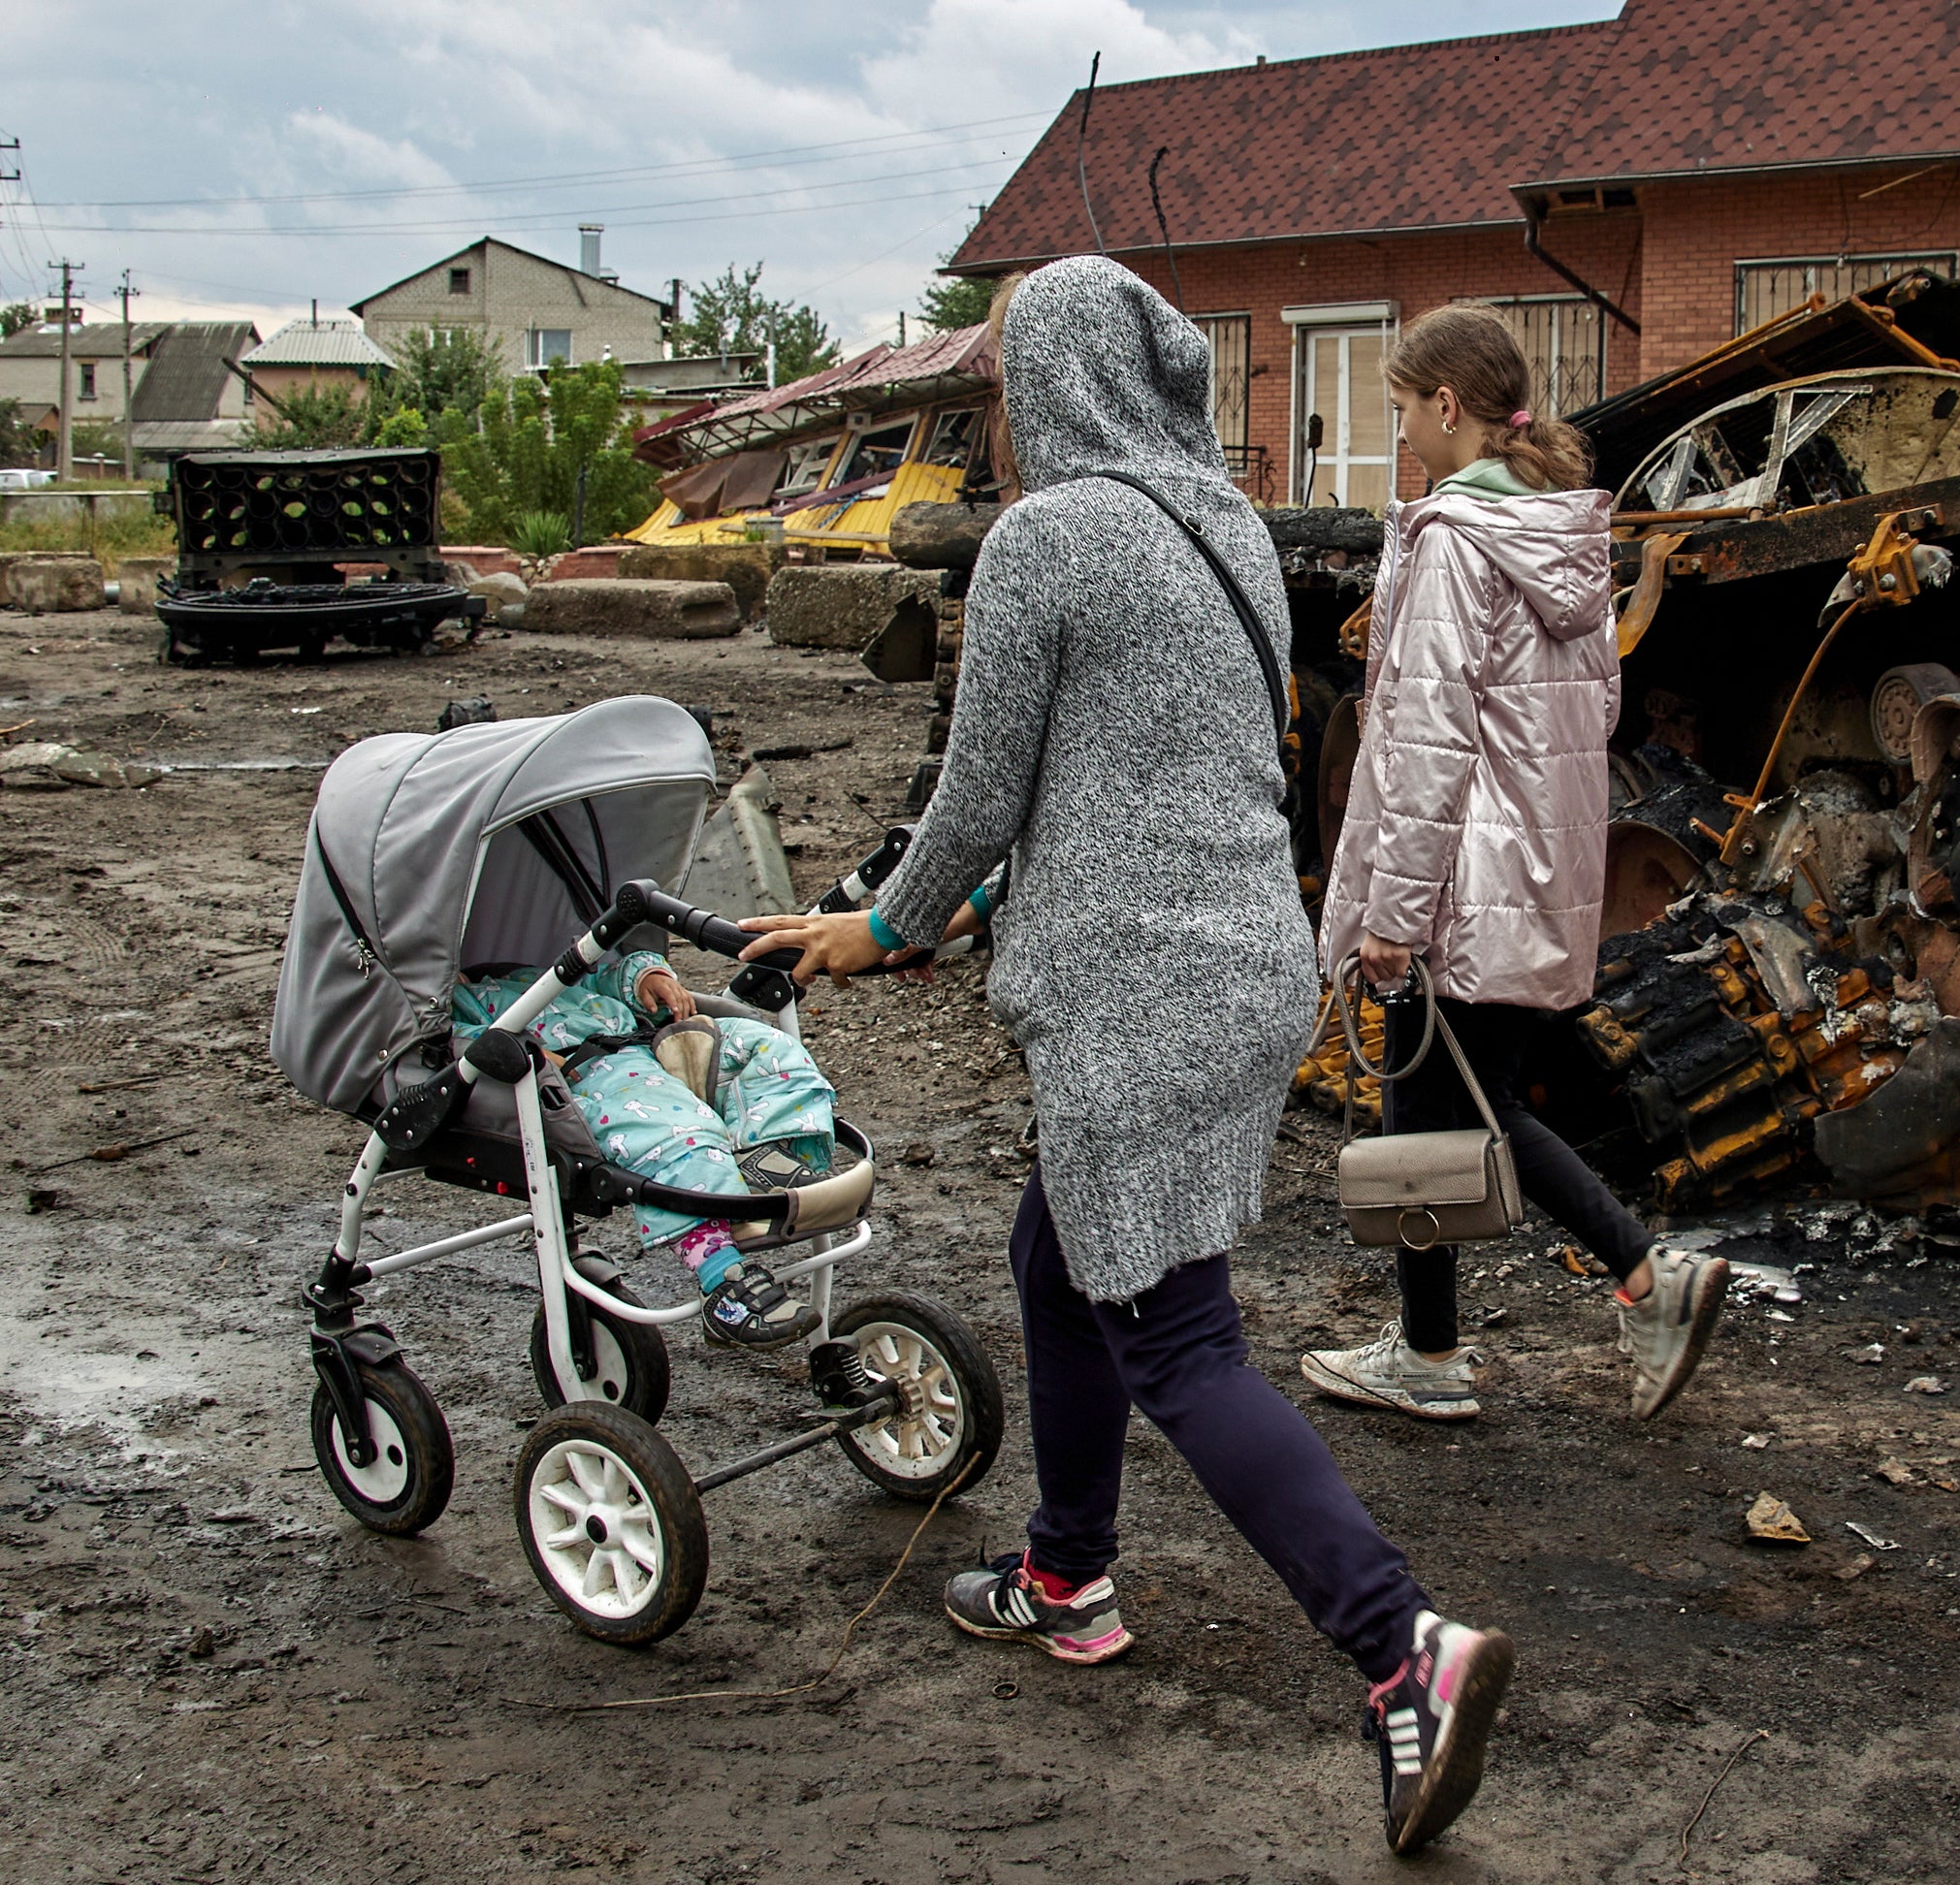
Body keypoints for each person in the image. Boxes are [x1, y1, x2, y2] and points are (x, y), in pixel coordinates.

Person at [739, 256, 1513, 1857]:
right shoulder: (1223, 520)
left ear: (1058, 380)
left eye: (1013, 378)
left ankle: (1400, 1647)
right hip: (1244, 966)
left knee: (1179, 1339)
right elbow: (1130, 766)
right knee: (1060, 1256)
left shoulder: (1049, 538)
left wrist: (872, 926)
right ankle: (1065, 1570)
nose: (1003, 412)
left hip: (1128, 992)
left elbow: (980, 793)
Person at [1303, 302, 1729, 1424]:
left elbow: (1427, 739)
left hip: (1455, 885)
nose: (1400, 434)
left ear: (1448, 406)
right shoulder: (1559, 535)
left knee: (1454, 1106)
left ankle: (1641, 1275)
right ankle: (1432, 1349)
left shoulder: (1453, 542)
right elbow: (1599, 711)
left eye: (1401, 409)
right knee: (1436, 1107)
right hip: (1528, 871)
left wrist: (1392, 911)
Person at [450, 945, 844, 1346]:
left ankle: (766, 1154)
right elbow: (462, 1053)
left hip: (658, 1042)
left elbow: (602, 976)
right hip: (592, 1079)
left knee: (771, 1048)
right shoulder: (458, 1010)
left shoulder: (526, 974)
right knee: (675, 1134)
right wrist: (528, 1054)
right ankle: (722, 1277)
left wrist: (647, 977)